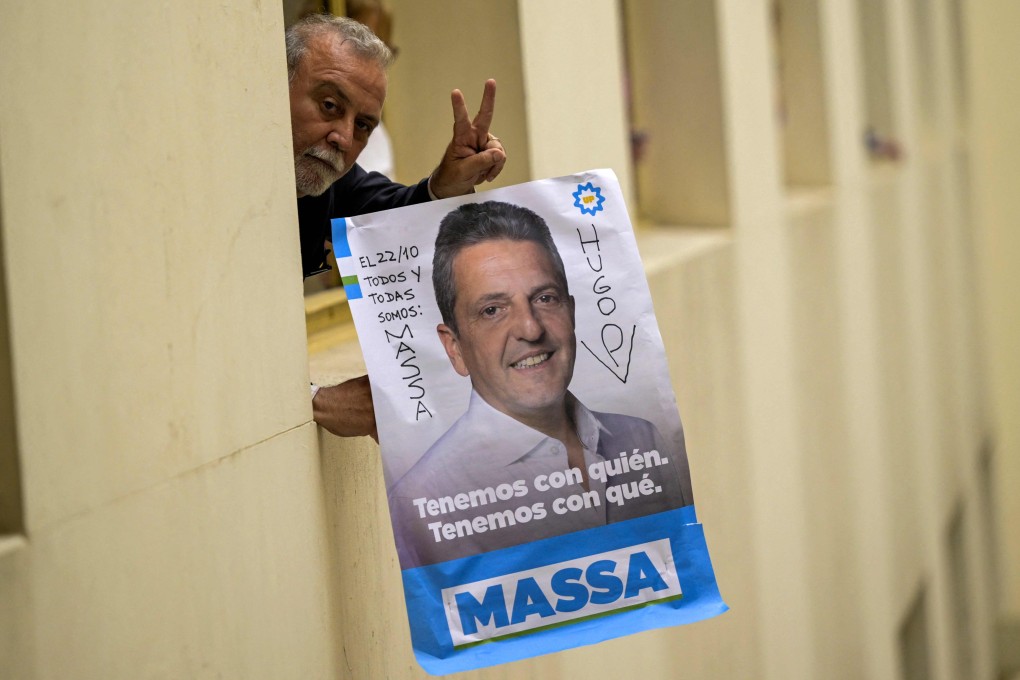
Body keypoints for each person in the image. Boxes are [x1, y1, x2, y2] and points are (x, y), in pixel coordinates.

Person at [388, 202, 692, 568]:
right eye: (492, 310)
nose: (530, 329)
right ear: (455, 348)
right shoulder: (423, 499)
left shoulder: (642, 441)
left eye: (545, 299)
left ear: (572, 312)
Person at [285, 15, 506, 438]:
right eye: (330, 106)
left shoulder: (324, 177)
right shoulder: (203, 189)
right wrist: (311, 399)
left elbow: (385, 215)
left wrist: (448, 183)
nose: (344, 138)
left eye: (364, 125)